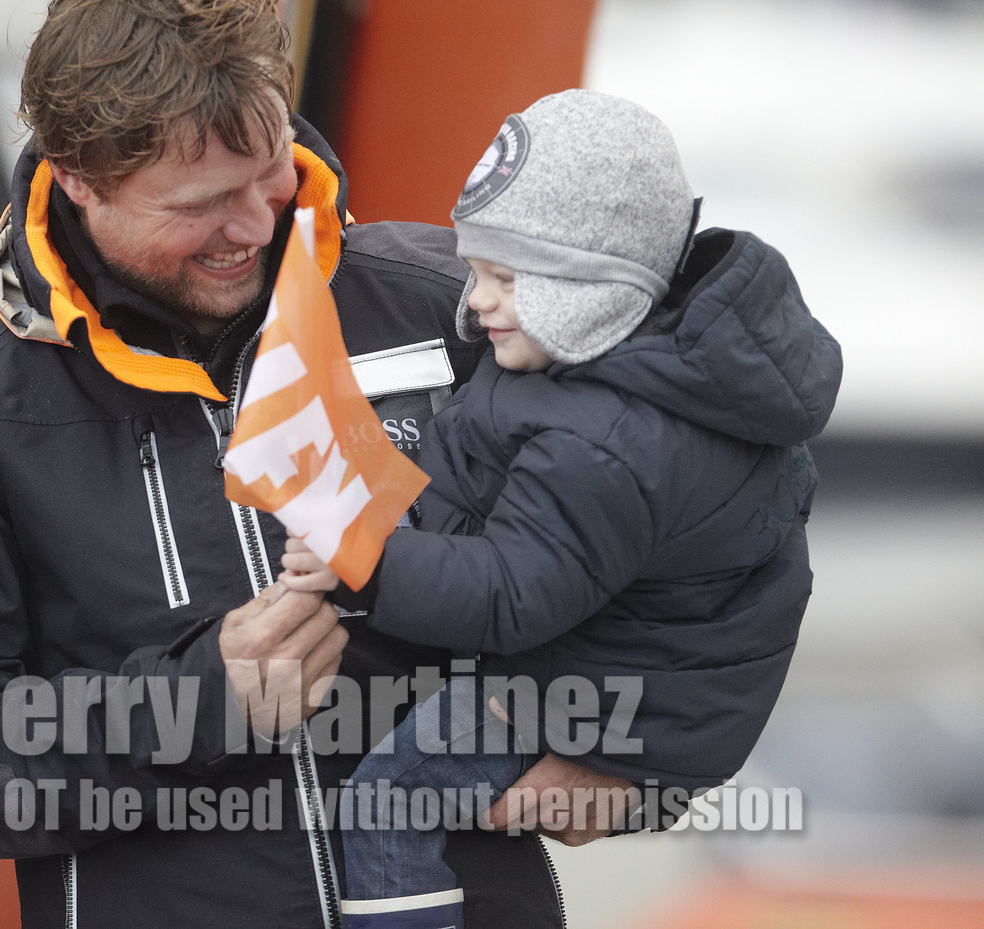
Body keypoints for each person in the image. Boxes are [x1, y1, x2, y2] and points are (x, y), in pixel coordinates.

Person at [0, 0, 644, 929]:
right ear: (81, 181)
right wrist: (200, 703)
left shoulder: (451, 304)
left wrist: (640, 751)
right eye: (200, 205)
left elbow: (690, 511)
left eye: (268, 175)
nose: (255, 227)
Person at [279, 90, 842, 926]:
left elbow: (514, 592)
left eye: (506, 279)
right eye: (476, 271)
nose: (475, 303)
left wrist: (368, 554)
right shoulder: (606, 370)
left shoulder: (605, 441)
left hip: (599, 697)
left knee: (387, 804)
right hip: (619, 673)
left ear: (601, 288)